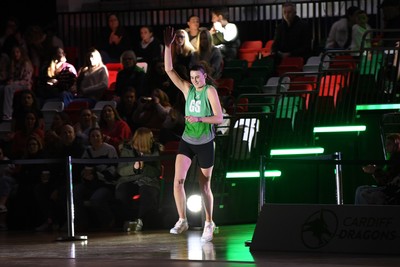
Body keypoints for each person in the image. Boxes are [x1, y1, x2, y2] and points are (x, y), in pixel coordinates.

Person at [164, 26, 224, 242]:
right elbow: (170, 70)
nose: (195, 80)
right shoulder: (188, 89)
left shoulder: (209, 90)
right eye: (192, 77)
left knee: (204, 185)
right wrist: (167, 46)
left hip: (205, 141)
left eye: (198, 77)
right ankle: (183, 219)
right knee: (177, 181)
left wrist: (199, 118)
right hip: (188, 140)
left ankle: (209, 222)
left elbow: (218, 118)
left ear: (204, 76)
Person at [115, 127, 163, 231]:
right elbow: (121, 170)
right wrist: (134, 168)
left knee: (147, 192)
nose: (152, 139)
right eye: (150, 137)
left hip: (148, 180)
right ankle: (127, 221)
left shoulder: (155, 149)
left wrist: (144, 167)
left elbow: (157, 171)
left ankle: (143, 221)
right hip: (129, 179)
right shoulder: (127, 149)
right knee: (123, 192)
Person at [73, 127, 118, 230]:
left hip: (106, 184)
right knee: (74, 192)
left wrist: (97, 174)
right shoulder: (87, 151)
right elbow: (83, 168)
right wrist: (85, 174)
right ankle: (82, 223)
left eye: (97, 136)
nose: (95, 138)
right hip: (90, 183)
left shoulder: (110, 150)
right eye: (93, 136)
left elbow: (113, 171)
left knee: (96, 199)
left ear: (102, 137)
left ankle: (108, 221)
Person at [355, 133, 400, 205]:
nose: (386, 147)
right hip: (389, 190)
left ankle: (362, 214)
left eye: (389, 144)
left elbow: (387, 181)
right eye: (386, 144)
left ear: (396, 144)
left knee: (362, 193)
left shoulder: (396, 159)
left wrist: (375, 171)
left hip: (392, 193)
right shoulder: (392, 159)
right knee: (361, 190)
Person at [1, 45, 34, 121]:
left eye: (17, 52)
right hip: (15, 83)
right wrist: (11, 81)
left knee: (8, 88)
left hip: (25, 84)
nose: (16, 54)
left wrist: (13, 83)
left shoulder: (26, 64)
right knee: (2, 88)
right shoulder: (13, 64)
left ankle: (7, 115)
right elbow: (12, 76)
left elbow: (26, 79)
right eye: (14, 52)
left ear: (21, 53)